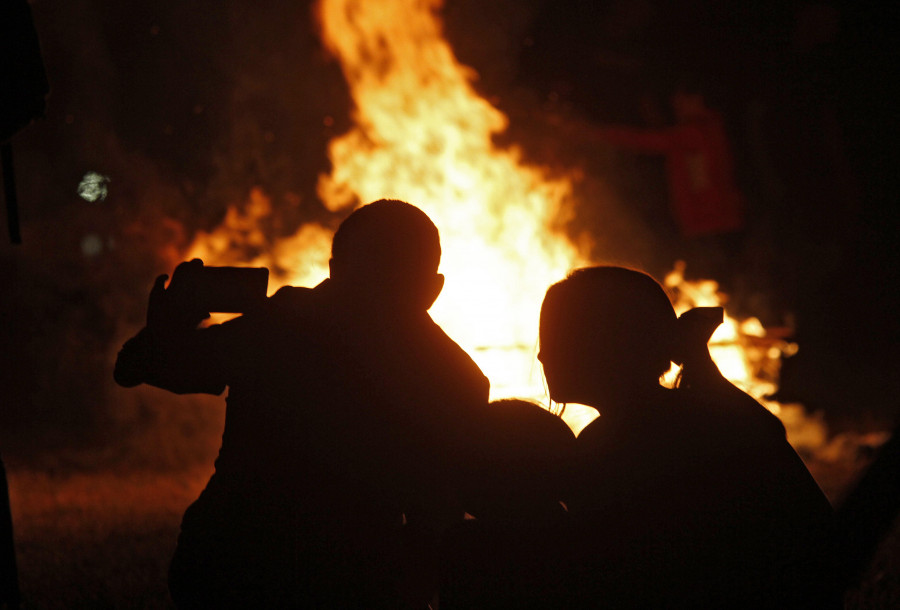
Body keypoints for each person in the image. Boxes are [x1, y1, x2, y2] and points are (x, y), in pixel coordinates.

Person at [114, 200, 490, 608]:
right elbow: (437, 517)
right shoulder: (457, 379)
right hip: (350, 579)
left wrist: (169, 323)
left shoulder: (279, 325)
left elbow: (137, 367)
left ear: (334, 270)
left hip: (231, 563)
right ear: (433, 288)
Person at [537, 266, 837, 608]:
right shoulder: (712, 414)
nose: (542, 356)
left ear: (604, 345)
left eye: (555, 339)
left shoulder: (609, 449)